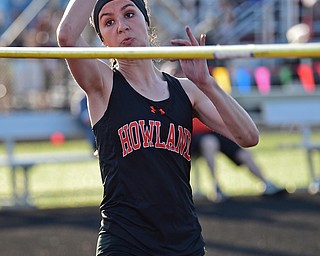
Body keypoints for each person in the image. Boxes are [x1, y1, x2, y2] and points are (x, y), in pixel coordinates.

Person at [56, 0, 259, 255]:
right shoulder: (103, 85)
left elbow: (248, 136)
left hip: (184, 242)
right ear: (103, 41)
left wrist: (207, 83)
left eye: (129, 14)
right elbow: (66, 36)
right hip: (125, 242)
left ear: (146, 21)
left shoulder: (187, 89)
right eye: (109, 22)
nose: (121, 26)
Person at [192, 118, 284, 202]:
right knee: (210, 143)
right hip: (195, 135)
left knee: (244, 154)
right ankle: (216, 186)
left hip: (215, 131)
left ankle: (266, 183)